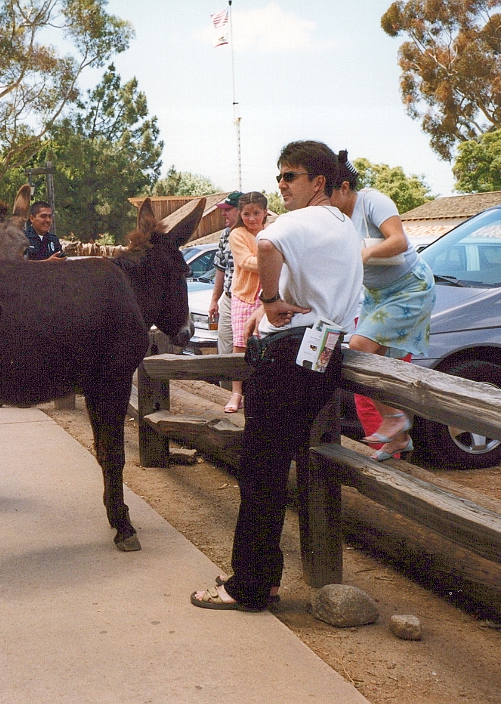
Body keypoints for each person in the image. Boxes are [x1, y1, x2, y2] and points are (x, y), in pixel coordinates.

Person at [190, 141, 363, 612]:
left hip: (287, 355)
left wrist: (267, 302)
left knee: (260, 469)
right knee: (273, 465)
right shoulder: (343, 225)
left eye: (290, 176)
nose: (281, 185)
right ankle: (261, 577)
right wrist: (265, 313)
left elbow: (266, 245)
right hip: (324, 351)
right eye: (280, 176)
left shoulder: (293, 222)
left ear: (318, 182)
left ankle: (249, 585)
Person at [330, 151, 435, 462]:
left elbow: (399, 241)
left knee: (359, 347)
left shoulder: (373, 200)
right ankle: (399, 438)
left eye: (328, 193)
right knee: (373, 368)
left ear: (345, 187)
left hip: (410, 289)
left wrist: (361, 255)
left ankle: (395, 419)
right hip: (376, 295)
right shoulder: (335, 218)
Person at [224, 192, 269, 413]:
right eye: (247, 214)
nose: (252, 218)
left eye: (257, 213)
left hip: (269, 296)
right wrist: (274, 261)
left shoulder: (272, 232)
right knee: (241, 344)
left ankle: (262, 391)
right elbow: (245, 262)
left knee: (268, 344)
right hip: (245, 296)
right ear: (240, 215)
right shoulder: (237, 234)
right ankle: (236, 393)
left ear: (265, 212)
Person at [208, 191, 243, 384]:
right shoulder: (225, 235)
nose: (224, 214)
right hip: (230, 299)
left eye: (227, 210)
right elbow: (220, 269)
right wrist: (215, 300)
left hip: (251, 300)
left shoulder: (258, 234)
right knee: (226, 350)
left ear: (239, 211)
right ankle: (226, 394)